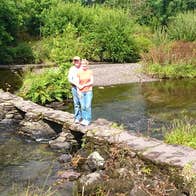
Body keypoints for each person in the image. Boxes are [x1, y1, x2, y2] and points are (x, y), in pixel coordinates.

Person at [76, 59, 93, 126]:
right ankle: (84, 119)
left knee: (88, 106)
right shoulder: (79, 72)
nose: (84, 66)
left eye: (85, 65)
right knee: (83, 106)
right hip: (81, 92)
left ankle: (88, 119)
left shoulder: (90, 72)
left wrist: (84, 85)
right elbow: (77, 83)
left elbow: (91, 82)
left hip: (88, 91)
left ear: (87, 65)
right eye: (83, 65)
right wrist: (78, 92)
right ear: (81, 65)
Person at [68, 56, 82, 123]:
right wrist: (77, 85)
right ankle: (77, 118)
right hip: (74, 88)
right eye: (75, 60)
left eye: (77, 60)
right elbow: (70, 79)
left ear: (80, 61)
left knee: (84, 104)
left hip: (83, 88)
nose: (76, 62)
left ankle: (85, 118)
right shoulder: (72, 69)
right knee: (76, 103)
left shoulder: (83, 68)